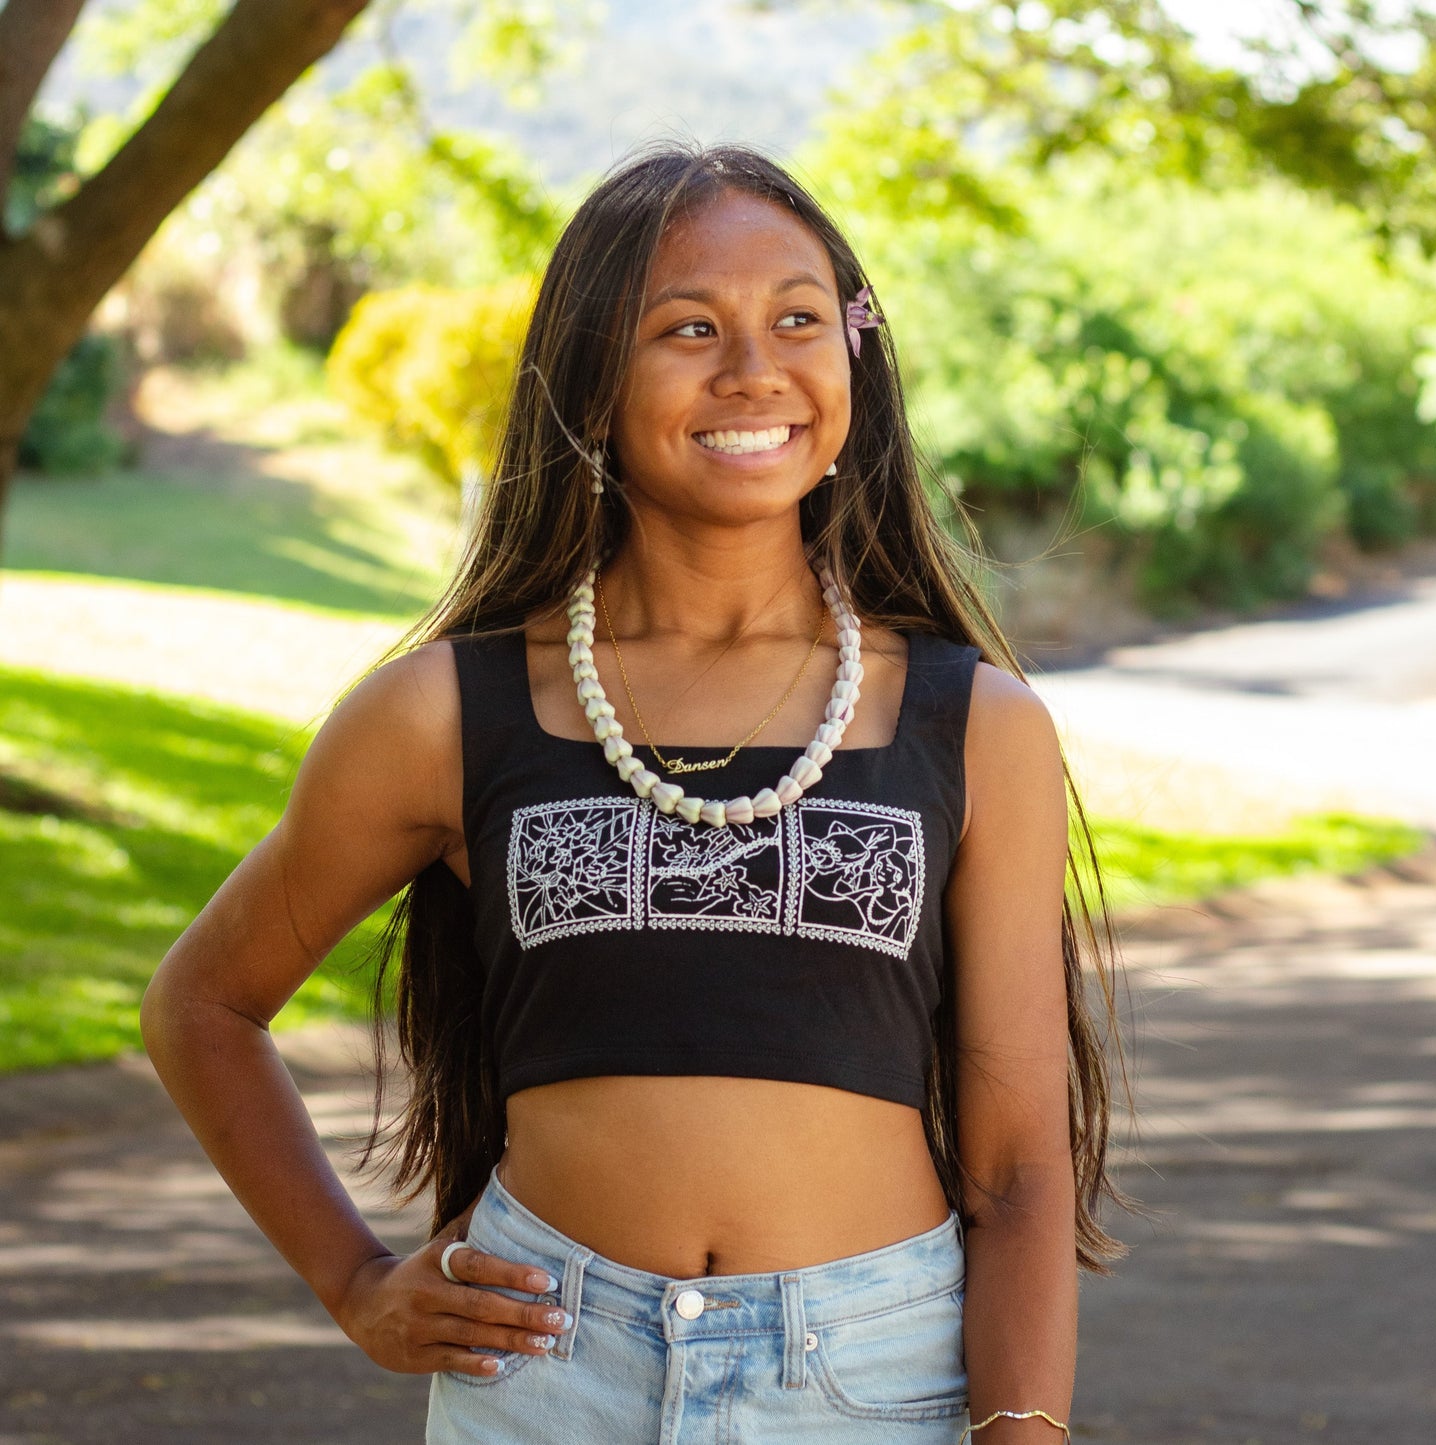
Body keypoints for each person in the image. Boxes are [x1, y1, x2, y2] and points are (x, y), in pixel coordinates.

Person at [141, 142, 1124, 1444]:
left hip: (868, 1378)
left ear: (853, 357)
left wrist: (1019, 1430)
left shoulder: (970, 724)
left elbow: (1015, 1168)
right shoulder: (446, 710)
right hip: (548, 1374)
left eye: (794, 317)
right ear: (593, 380)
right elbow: (201, 1002)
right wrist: (356, 1282)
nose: (752, 368)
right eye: (687, 328)